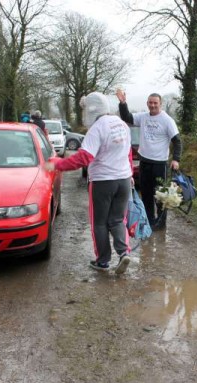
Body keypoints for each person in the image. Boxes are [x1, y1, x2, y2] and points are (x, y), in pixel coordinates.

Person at [46, 92, 133, 274]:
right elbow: (128, 153)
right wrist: (130, 173)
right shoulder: (122, 124)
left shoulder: (97, 128)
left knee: (99, 223)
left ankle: (103, 261)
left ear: (92, 109)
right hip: (123, 179)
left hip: (103, 181)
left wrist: (58, 165)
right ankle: (124, 252)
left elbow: (84, 157)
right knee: (117, 219)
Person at [116, 89, 182, 229]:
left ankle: (161, 224)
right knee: (145, 194)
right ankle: (149, 222)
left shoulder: (167, 120)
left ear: (160, 104)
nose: (152, 105)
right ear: (147, 103)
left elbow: (177, 141)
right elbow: (127, 117)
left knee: (161, 196)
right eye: (150, 103)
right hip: (144, 162)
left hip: (160, 164)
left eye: (155, 103)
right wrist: (123, 103)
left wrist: (176, 159)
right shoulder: (143, 117)